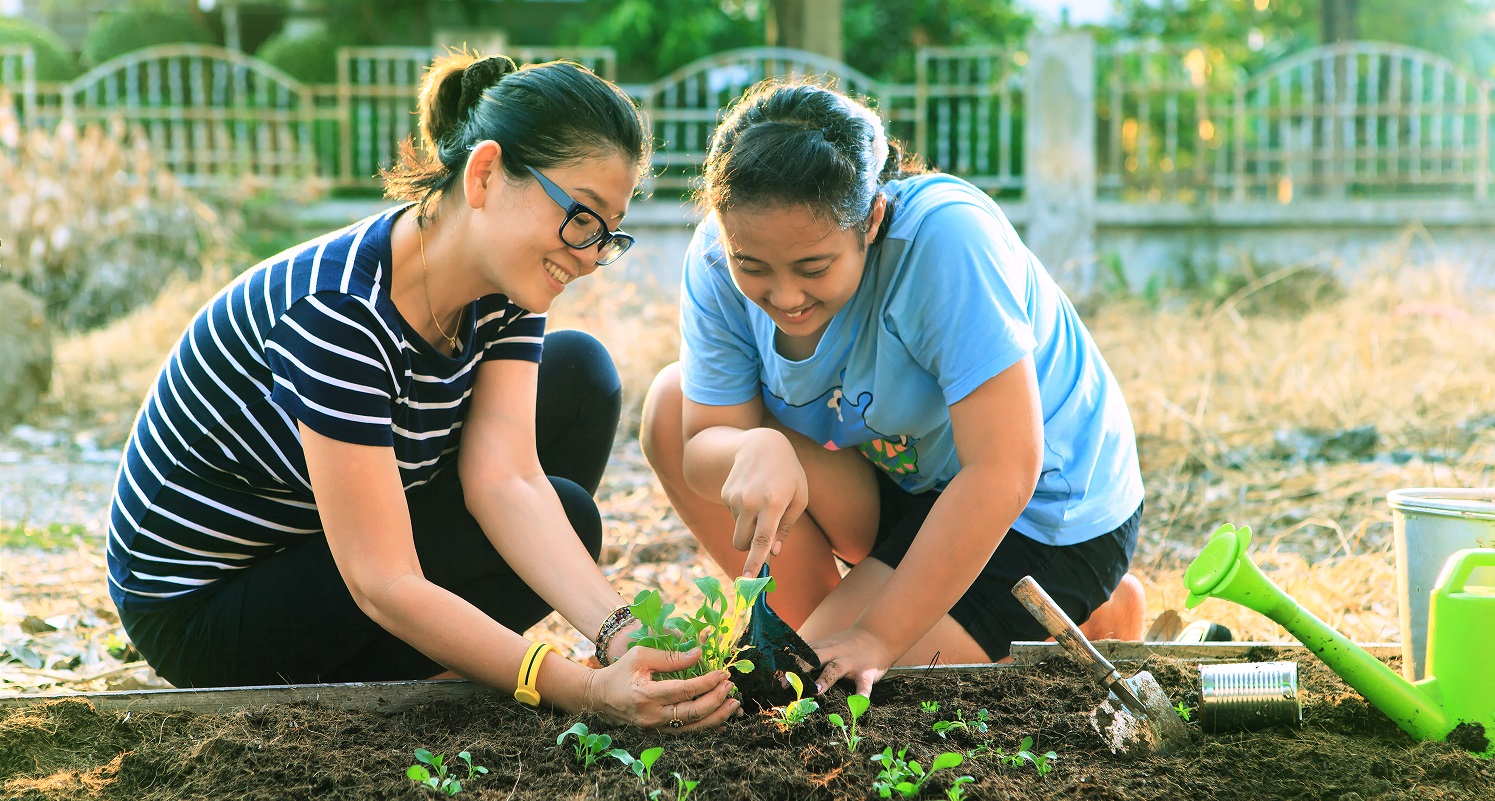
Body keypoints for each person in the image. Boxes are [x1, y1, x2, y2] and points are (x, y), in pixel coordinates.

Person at [106, 52, 737, 732]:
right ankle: (424, 667)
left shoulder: (508, 286)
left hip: (319, 542)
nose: (587, 255)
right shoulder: (338, 310)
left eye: (605, 234)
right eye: (579, 217)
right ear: (485, 173)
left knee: (577, 382)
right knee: (570, 517)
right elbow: (383, 580)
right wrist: (575, 689)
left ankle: (437, 658)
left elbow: (507, 479)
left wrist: (618, 632)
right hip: (208, 609)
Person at [641, 79, 1147, 699]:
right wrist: (750, 450)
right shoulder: (718, 259)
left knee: (841, 685)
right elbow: (697, 446)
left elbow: (1004, 469)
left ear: (873, 218)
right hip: (908, 483)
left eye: (814, 267)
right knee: (671, 404)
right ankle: (832, 624)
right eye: (754, 267)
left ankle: (1090, 610)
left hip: (1041, 508)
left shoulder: (947, 241)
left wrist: (877, 637)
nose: (786, 296)